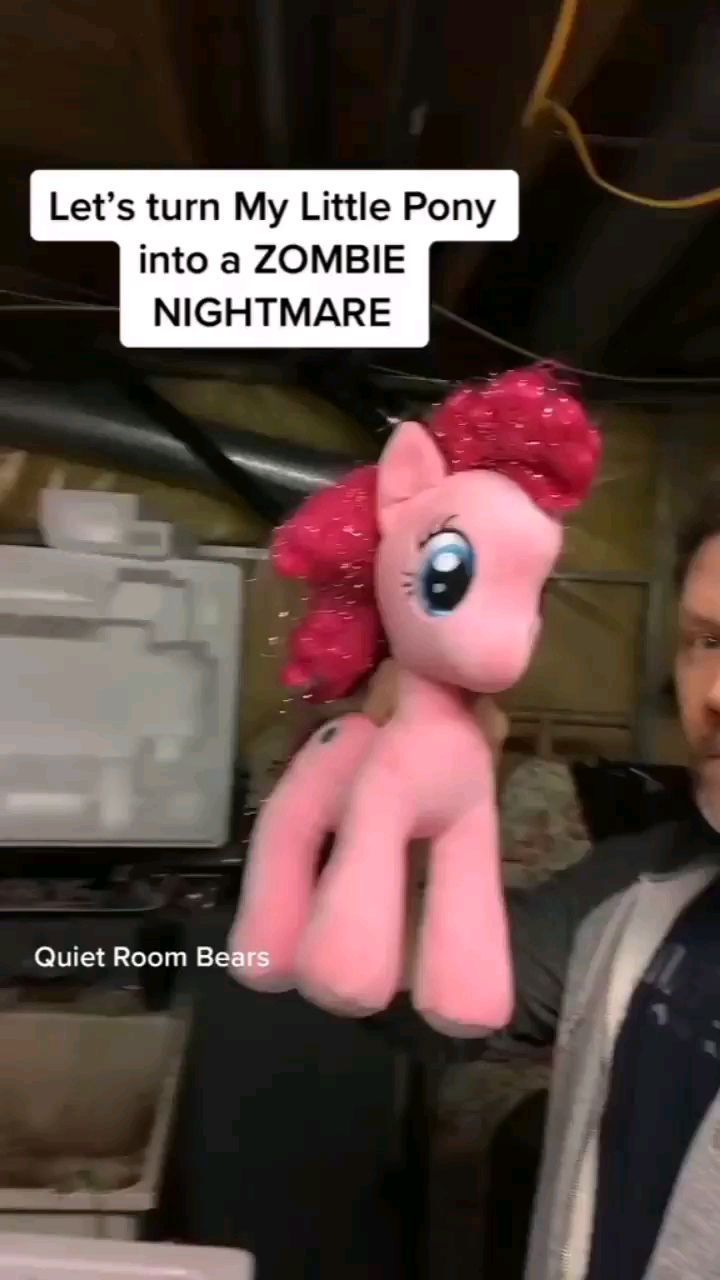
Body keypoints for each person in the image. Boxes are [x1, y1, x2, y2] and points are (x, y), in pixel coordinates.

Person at [355, 478, 720, 1280]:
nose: (717, 694)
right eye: (708, 641)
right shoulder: (636, 886)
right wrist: (407, 820)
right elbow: (418, 999)